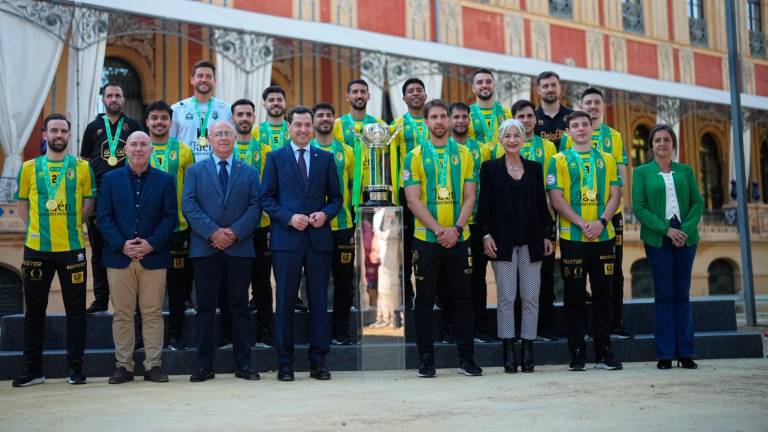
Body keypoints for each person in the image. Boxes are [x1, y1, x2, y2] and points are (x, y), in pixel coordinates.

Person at [261, 106, 343, 382]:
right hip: (287, 240)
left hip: (318, 241)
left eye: (307, 125)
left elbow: (337, 199)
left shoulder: (326, 158)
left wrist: (325, 214)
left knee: (318, 301)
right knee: (284, 302)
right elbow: (267, 199)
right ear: (289, 128)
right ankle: (285, 363)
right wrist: (289, 217)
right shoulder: (275, 158)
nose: (303, 130)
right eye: (298, 125)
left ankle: (318, 361)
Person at [13, 114, 95, 387]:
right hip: (36, 250)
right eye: (54, 130)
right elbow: (23, 205)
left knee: (76, 311)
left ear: (69, 135)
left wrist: (74, 226)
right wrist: (34, 229)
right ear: (44, 135)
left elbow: (88, 203)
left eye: (64, 130)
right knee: (34, 310)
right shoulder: (28, 168)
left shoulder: (82, 167)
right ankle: (33, 369)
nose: (59, 134)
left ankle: (75, 368)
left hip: (72, 249)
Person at [403, 99, 482, 378]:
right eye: (433, 117)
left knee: (463, 300)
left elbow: (470, 196)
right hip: (427, 241)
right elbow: (413, 200)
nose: (439, 121)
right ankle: (426, 360)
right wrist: (439, 230)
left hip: (460, 239)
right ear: (426, 122)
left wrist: (456, 230)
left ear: (449, 121)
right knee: (424, 301)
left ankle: (466, 359)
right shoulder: (413, 155)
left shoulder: (466, 154)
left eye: (443, 116)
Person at [182, 120, 262, 382]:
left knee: (239, 308)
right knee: (205, 308)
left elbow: (254, 208)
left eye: (228, 133)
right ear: (210, 139)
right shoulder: (194, 170)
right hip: (205, 248)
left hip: (239, 249)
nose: (224, 138)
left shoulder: (250, 172)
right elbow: (189, 206)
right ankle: (204, 365)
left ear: (235, 138)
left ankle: (244, 364)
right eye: (219, 134)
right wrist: (213, 233)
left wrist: (234, 233)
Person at [98, 131, 177, 384]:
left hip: (152, 256)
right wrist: (123, 245)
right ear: (126, 149)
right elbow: (103, 217)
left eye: (144, 144)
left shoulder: (165, 180)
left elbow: (170, 218)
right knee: (122, 313)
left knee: (152, 312)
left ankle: (153, 365)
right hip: (119, 257)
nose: (139, 148)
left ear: (151, 150)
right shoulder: (110, 179)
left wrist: (150, 244)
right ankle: (124, 366)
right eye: (134, 144)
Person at [547, 111, 623, 371]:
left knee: (604, 296)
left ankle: (604, 350)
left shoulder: (608, 159)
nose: (580, 129)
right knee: (574, 297)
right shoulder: (557, 160)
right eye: (575, 125)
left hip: (604, 236)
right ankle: (577, 350)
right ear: (567, 132)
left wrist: (601, 222)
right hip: (573, 238)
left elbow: (615, 195)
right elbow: (556, 199)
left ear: (592, 129)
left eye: (585, 125)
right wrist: (582, 223)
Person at [477, 119, 554, 374]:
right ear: (500, 139)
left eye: (516, 135)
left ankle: (528, 350)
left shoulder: (534, 168)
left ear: (523, 139)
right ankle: (508, 351)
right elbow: (484, 206)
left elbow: (542, 206)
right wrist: (485, 234)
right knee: (507, 298)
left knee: (531, 298)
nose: (512, 139)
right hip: (502, 242)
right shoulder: (489, 169)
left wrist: (547, 234)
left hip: (531, 241)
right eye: (507, 135)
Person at [562, 87, 633, 339]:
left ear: (603, 106)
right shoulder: (568, 137)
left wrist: (616, 208)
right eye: (587, 102)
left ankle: (617, 321)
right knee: (577, 281)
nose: (592, 106)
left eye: (596, 102)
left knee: (615, 271)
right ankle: (582, 334)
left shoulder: (613, 136)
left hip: (609, 215)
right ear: (580, 105)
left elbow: (621, 174)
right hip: (577, 221)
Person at [632, 124, 703, 370]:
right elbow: (639, 207)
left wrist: (685, 230)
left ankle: (685, 352)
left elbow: (697, 202)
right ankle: (664, 353)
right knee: (664, 294)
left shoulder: (686, 171)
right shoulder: (641, 172)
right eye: (657, 140)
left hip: (686, 237)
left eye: (666, 140)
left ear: (673, 144)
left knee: (682, 294)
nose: (662, 144)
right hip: (657, 238)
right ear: (651, 146)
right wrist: (667, 230)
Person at [80, 82, 143, 314]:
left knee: (128, 248)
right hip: (98, 197)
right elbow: (86, 162)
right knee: (98, 251)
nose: (114, 99)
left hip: (128, 196)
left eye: (118, 95)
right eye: (110, 95)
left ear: (123, 99)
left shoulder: (133, 126)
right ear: (103, 99)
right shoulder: (92, 127)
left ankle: (129, 301)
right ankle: (100, 299)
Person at [145, 101, 196, 351]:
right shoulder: (139, 149)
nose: (159, 122)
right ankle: (145, 340)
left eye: (164, 118)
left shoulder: (184, 150)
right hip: (147, 231)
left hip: (178, 230)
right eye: (154, 118)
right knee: (146, 292)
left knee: (177, 290)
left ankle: (176, 336)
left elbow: (192, 189)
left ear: (171, 122)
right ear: (147, 122)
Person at [512, 99, 559, 341]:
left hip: (541, 220)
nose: (526, 120)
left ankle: (546, 328)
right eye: (521, 116)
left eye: (530, 116)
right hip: (514, 222)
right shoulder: (506, 148)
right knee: (518, 277)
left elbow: (552, 187)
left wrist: (548, 221)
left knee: (545, 276)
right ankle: (521, 330)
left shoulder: (548, 148)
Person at [311, 102, 357, 345]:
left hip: (343, 227)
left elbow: (352, 186)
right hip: (315, 227)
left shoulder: (347, 151)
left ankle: (341, 332)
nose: (325, 119)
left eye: (329, 115)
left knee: (344, 284)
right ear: (313, 120)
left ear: (335, 120)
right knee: (315, 282)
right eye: (320, 115)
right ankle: (317, 333)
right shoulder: (306, 149)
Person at [449, 102, 494, 343]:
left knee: (477, 277)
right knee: (451, 279)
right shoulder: (443, 149)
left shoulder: (482, 149)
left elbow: (488, 187)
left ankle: (479, 328)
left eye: (464, 116)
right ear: (449, 120)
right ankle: (451, 329)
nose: (460, 121)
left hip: (476, 222)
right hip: (451, 223)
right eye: (456, 117)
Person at [232, 99, 274, 347]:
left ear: (254, 117)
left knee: (262, 282)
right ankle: (236, 334)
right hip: (235, 228)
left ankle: (265, 332)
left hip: (261, 226)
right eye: (240, 114)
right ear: (233, 118)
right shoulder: (226, 148)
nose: (245, 118)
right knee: (237, 283)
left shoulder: (266, 150)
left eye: (249, 114)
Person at [391, 78, 429, 307]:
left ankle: (430, 294)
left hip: (432, 194)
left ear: (425, 95)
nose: (415, 94)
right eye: (410, 91)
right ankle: (407, 295)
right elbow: (390, 161)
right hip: (406, 194)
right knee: (405, 247)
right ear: (403, 98)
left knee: (429, 244)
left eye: (419, 90)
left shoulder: (435, 121)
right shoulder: (395, 125)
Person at [332, 78, 388, 212]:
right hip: (347, 191)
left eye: (363, 92)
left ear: (368, 96)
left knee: (372, 233)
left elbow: (385, 159)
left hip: (374, 191)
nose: (359, 95)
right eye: (355, 92)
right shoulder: (337, 125)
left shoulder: (379, 125)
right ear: (347, 97)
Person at [170, 60, 232, 163]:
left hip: (217, 169)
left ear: (214, 81)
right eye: (200, 76)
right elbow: (170, 142)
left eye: (208, 76)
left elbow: (232, 141)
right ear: (192, 80)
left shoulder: (227, 109)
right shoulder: (177, 109)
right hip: (186, 168)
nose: (204, 79)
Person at [468, 69, 512, 145]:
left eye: (488, 82)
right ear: (473, 88)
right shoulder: (466, 114)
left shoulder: (507, 113)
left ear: (494, 86)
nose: (484, 85)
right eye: (480, 82)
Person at [534, 71, 573, 148]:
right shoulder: (532, 118)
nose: (550, 89)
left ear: (560, 88)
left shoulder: (572, 116)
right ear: (538, 90)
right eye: (545, 86)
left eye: (554, 85)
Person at [250, 85, 291, 150]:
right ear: (264, 105)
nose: (275, 103)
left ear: (285, 103)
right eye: (271, 100)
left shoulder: (293, 130)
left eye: (279, 100)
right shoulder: (254, 132)